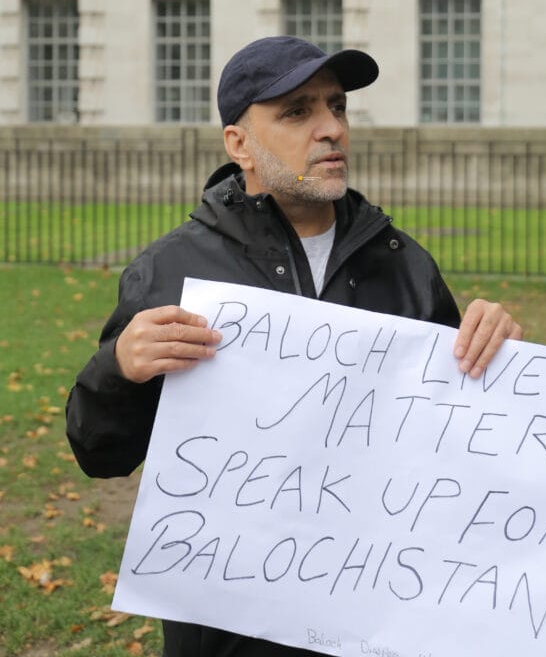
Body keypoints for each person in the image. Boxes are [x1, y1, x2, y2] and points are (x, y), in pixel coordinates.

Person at [66, 35, 522, 657]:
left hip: (376, 622)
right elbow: (101, 453)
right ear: (239, 144)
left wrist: (497, 364)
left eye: (337, 106)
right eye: (297, 112)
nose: (331, 128)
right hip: (229, 633)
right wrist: (118, 371)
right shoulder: (171, 272)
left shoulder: (406, 267)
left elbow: (454, 459)